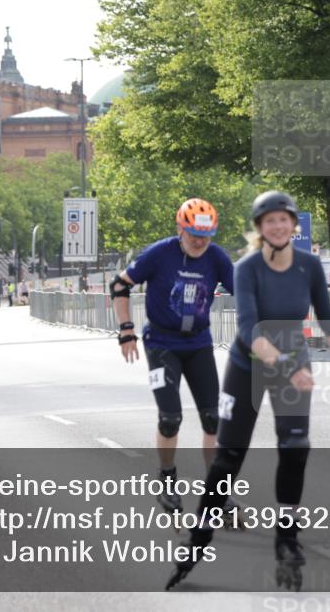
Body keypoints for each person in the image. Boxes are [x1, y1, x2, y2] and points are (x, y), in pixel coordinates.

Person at [166, 191, 330, 591]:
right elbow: (250, 329)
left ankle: (286, 535)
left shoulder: (307, 266)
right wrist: (289, 366)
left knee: (295, 446)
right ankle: (199, 534)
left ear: (293, 225)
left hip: (293, 361)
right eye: (269, 221)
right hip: (248, 367)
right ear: (260, 228)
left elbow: (327, 317)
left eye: (283, 220)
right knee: (229, 457)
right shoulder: (247, 268)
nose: (277, 226)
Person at [111, 198, 235, 519]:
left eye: (205, 236)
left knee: (212, 418)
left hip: (198, 344)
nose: (199, 242)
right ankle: (167, 481)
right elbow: (120, 285)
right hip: (161, 345)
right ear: (180, 228)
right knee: (170, 419)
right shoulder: (160, 254)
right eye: (193, 234)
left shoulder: (217, 257)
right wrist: (126, 330)